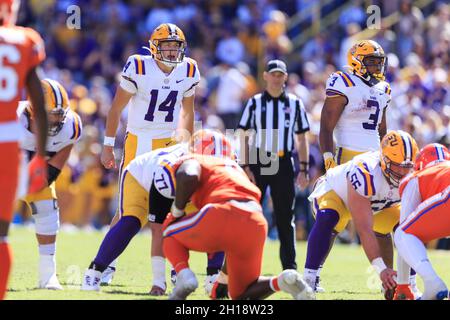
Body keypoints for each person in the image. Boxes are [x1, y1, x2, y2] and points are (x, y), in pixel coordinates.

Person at [99, 23, 200, 295]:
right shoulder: (138, 66)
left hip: (169, 143)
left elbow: (188, 112)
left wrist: (187, 143)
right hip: (139, 141)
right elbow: (115, 109)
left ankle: (177, 268)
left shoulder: (189, 69)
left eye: (175, 46)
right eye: (166, 45)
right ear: (154, 47)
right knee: (128, 211)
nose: (171, 50)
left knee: (175, 208)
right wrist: (108, 145)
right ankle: (105, 265)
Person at [82, 130, 227, 293]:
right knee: (132, 221)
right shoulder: (169, 172)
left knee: (216, 220)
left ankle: (213, 277)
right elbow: (158, 230)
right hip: (141, 177)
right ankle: (94, 272)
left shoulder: (226, 164)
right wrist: (158, 282)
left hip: (184, 184)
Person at [162, 151, 315, 300]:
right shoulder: (233, 167)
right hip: (256, 220)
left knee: (168, 231)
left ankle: (184, 277)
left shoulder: (195, 159)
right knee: (239, 293)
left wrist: (176, 211)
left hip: (225, 210)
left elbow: (188, 176)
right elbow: (233, 236)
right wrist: (222, 279)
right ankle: (283, 281)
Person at [312, 39, 392, 291]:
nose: (376, 66)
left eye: (379, 61)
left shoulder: (383, 88)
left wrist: (388, 156)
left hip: (376, 160)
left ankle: (390, 282)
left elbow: (382, 129)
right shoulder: (343, 82)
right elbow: (326, 125)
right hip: (348, 157)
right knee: (333, 220)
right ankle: (312, 274)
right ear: (356, 61)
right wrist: (328, 157)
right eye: (370, 61)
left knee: (384, 222)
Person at [304, 130, 418, 297]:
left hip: (377, 205)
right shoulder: (366, 171)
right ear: (384, 159)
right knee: (329, 216)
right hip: (336, 194)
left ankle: (409, 284)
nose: (402, 173)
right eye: (397, 166)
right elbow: (364, 228)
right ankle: (309, 279)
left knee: (408, 226)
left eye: (406, 167)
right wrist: (381, 269)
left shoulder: (412, 175)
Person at [237, 59, 310, 272]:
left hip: (283, 161)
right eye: (273, 74)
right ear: (266, 76)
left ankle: (290, 268)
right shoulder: (255, 102)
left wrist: (303, 168)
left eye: (280, 75)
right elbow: (243, 134)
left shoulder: (295, 103)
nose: (277, 78)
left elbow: (302, 137)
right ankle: (241, 263)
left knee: (285, 216)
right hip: (259, 160)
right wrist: (245, 165)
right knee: (249, 213)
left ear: (285, 77)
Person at [0, 0, 48, 300]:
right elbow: (39, 106)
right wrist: (41, 156)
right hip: (7, 141)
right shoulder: (26, 39)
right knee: (1, 235)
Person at [17, 79, 82, 290]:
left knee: (46, 209)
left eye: (59, 114)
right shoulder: (11, 118)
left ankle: (47, 276)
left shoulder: (71, 126)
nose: (57, 121)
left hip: (37, 174)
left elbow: (54, 168)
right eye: (50, 115)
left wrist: (31, 184)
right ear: (33, 111)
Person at [394, 143, 450, 300]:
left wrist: (403, 284)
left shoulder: (417, 176)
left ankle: (433, 282)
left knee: (402, 233)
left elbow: (405, 229)